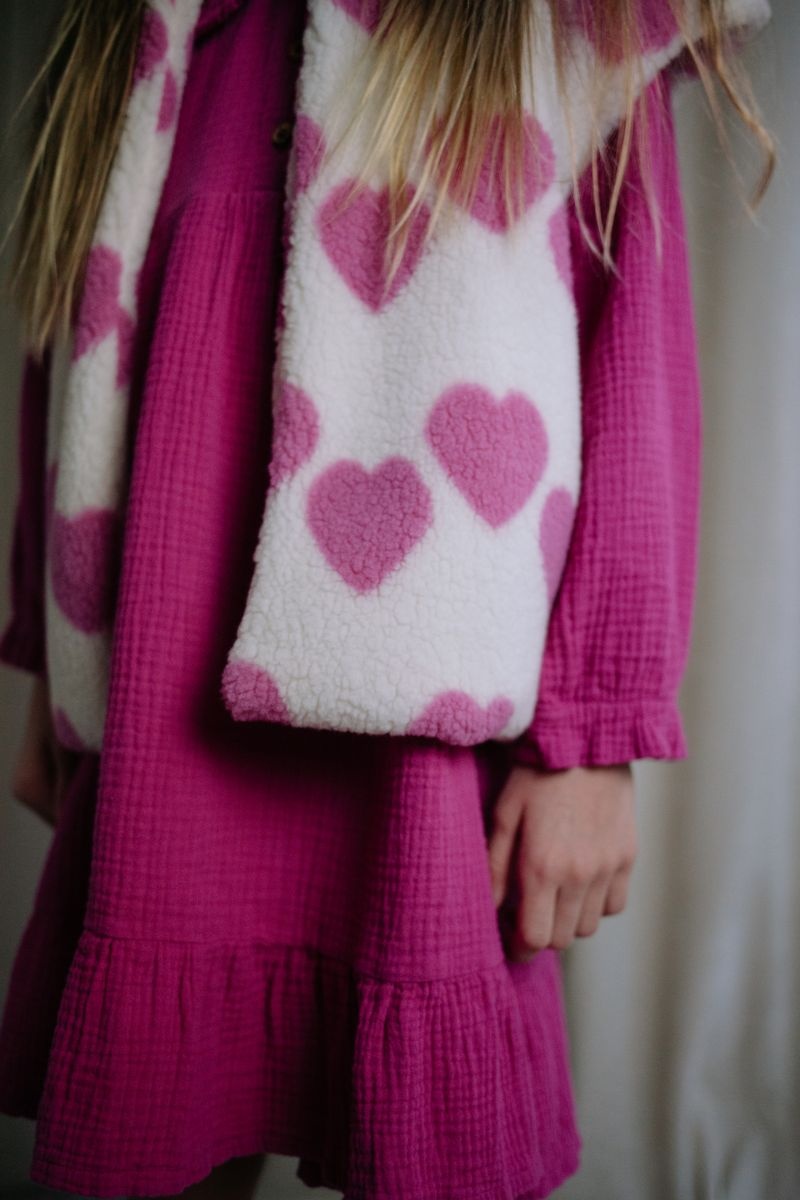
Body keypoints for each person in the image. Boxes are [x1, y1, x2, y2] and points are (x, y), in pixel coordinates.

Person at [0, 1, 774, 1198]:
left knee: (423, 1144)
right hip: (159, 699)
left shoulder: (545, 30)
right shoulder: (147, 35)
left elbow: (635, 362)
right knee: (161, 1138)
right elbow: (70, 343)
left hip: (418, 723)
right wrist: (50, 656)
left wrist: (591, 736)